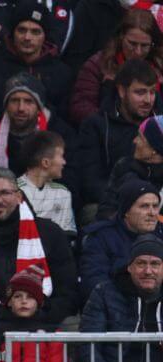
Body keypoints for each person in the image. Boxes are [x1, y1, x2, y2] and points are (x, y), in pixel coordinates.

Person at [69, 234, 163, 362]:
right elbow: (87, 346)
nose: (148, 271)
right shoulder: (104, 292)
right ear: (129, 266)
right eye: (141, 263)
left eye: (155, 264)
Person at [0, 167, 77, 324]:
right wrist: (0, 316)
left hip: (43, 324)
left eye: (5, 193)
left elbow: (67, 290)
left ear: (18, 196)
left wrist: (40, 316)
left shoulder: (50, 233)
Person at [0, 3, 74, 143]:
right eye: (22, 30)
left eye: (35, 32)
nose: (27, 37)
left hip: (43, 149)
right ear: (12, 33)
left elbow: (66, 123)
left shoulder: (61, 72)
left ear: (45, 36)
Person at [71, 59, 158, 215]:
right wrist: (131, 201)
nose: (148, 100)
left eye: (152, 92)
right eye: (140, 92)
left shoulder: (159, 124)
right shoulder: (96, 125)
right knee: (91, 212)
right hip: (114, 205)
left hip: (156, 203)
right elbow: (90, 182)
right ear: (122, 91)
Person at [0, 73, 75, 176]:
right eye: (14, 100)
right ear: (6, 105)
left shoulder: (60, 134)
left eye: (28, 101)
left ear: (39, 108)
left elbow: (69, 178)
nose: (21, 108)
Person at [68, 9, 163, 126]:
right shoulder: (99, 64)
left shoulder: (159, 67)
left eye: (144, 46)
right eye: (132, 44)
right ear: (121, 37)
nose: (138, 52)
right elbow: (80, 107)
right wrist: (113, 125)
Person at [81, 178, 160, 304]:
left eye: (155, 206)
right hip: (118, 310)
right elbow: (94, 282)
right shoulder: (100, 237)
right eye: (144, 206)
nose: (152, 213)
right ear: (126, 211)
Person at [97, 115, 163, 221]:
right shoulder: (125, 167)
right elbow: (106, 211)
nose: (135, 141)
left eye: (140, 138)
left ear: (154, 149)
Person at [17, 130, 76, 235]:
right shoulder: (15, 191)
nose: (64, 162)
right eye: (61, 156)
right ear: (46, 162)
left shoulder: (63, 193)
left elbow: (68, 236)